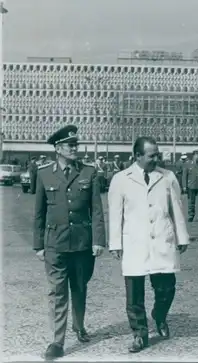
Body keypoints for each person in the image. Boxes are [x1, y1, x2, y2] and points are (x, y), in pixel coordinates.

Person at [108, 136, 189, 353]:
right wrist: (115, 243)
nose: (156, 158)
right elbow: (115, 214)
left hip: (162, 239)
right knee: (134, 294)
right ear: (137, 156)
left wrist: (182, 237)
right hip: (134, 242)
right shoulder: (121, 179)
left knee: (166, 288)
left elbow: (177, 209)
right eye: (151, 155)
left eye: (157, 154)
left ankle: (159, 315)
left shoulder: (168, 177)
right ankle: (139, 334)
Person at [33, 125, 106, 360]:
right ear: (58, 148)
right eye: (70, 145)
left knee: (80, 287)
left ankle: (79, 325)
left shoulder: (89, 172)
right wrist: (38, 244)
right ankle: (57, 341)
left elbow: (96, 210)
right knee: (57, 291)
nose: (75, 148)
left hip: (82, 244)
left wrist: (98, 240)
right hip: (55, 243)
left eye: (76, 144)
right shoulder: (44, 174)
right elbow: (39, 213)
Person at [182, 149, 198, 222]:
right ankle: (191, 215)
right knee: (191, 201)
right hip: (191, 185)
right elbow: (184, 176)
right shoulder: (187, 164)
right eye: (197, 155)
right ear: (193, 155)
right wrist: (184, 186)